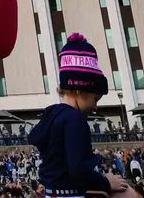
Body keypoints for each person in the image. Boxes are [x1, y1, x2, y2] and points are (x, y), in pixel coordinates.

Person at [29, 34, 131, 198]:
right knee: (128, 193)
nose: (96, 107)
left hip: (53, 193)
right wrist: (106, 182)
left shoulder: (52, 114)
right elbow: (78, 168)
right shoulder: (74, 119)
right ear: (79, 90)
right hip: (72, 194)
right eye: (95, 99)